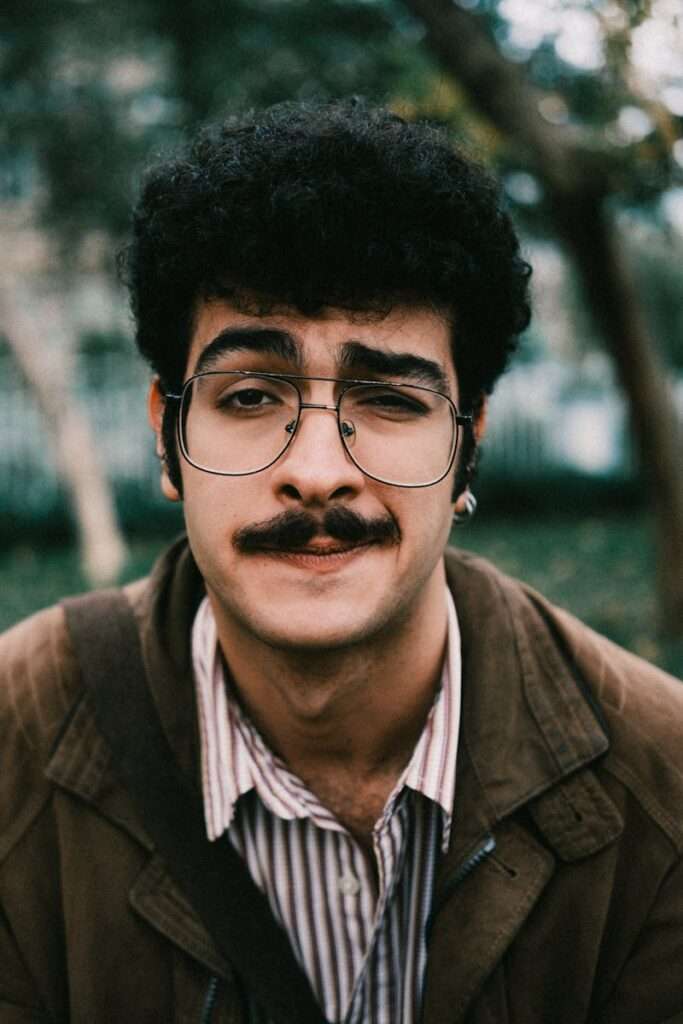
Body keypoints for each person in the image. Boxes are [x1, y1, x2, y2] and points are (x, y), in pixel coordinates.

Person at [1, 100, 682, 1024]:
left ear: (466, 446)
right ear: (167, 436)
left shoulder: (663, 788)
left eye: (389, 399)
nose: (316, 473)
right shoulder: (12, 749)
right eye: (248, 395)